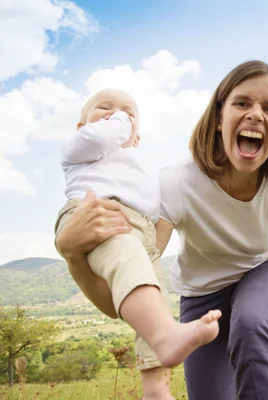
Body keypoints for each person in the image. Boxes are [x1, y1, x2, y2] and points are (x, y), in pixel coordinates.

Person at [55, 60, 268, 400]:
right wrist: (73, 255)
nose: (255, 114)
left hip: (262, 271)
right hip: (201, 296)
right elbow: (127, 285)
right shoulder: (178, 183)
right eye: (242, 103)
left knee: (251, 322)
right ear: (218, 119)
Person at [55, 88, 221, 392]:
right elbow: (99, 137)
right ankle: (166, 336)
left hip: (141, 229)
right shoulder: (81, 147)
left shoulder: (138, 163)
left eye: (128, 112)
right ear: (81, 127)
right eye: (104, 108)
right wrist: (122, 120)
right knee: (132, 265)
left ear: (137, 139)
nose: (116, 113)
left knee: (153, 294)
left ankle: (156, 388)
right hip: (98, 214)